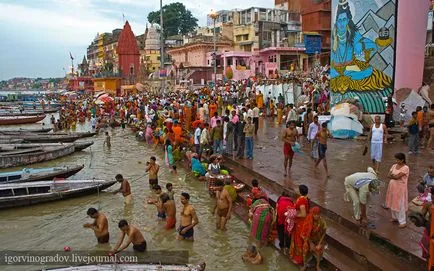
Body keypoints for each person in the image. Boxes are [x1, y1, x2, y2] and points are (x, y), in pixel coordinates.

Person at [384, 153, 410, 228]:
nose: (396, 161)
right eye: (396, 159)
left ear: (402, 160)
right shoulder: (394, 166)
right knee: (392, 201)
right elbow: (388, 175)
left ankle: (403, 221)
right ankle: (394, 217)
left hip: (400, 188)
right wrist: (393, 176)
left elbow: (397, 177)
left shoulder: (406, 168)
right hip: (392, 187)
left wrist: (393, 176)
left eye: (398, 159)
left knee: (400, 204)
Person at [300, 207, 327, 271]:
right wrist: (310, 243)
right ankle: (304, 265)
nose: (316, 216)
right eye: (315, 214)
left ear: (320, 214)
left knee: (318, 250)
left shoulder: (322, 222)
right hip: (308, 240)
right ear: (312, 214)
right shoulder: (308, 220)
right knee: (305, 250)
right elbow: (304, 234)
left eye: (318, 214)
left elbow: (324, 233)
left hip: (318, 240)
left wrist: (319, 244)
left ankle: (318, 266)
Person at [290, 185, 309, 265]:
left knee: (299, 240)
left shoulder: (301, 200)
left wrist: (294, 214)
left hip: (301, 223)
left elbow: (304, 214)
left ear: (300, 191)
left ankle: (299, 259)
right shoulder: (305, 198)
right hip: (300, 222)